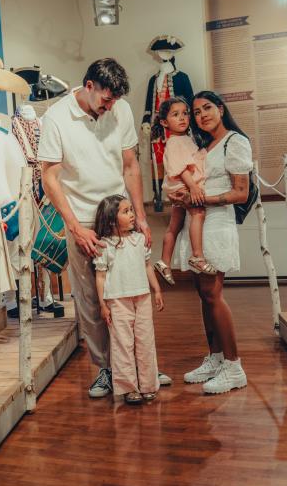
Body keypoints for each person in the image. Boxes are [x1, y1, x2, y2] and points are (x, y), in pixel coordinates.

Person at [38, 58, 170, 398]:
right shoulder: (56, 118)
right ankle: (106, 370)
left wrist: (139, 216)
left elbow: (130, 165)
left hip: (120, 213)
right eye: (105, 99)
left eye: (115, 100)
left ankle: (141, 367)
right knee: (92, 299)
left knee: (132, 292)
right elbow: (49, 176)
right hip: (82, 217)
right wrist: (74, 227)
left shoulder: (121, 110)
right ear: (89, 86)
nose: (110, 106)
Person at [169, 91, 252, 394]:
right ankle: (216, 358)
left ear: (220, 108)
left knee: (213, 292)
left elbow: (241, 192)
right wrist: (184, 195)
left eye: (207, 108)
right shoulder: (205, 145)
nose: (202, 115)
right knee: (202, 292)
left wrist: (204, 198)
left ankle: (234, 366)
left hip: (216, 221)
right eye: (196, 111)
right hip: (197, 220)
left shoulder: (235, 142)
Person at [92, 195, 164, 405]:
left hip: (142, 298)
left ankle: (148, 385)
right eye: (126, 211)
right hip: (117, 302)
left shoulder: (140, 240)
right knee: (122, 344)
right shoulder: (104, 246)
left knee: (145, 342)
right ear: (111, 219)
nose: (132, 215)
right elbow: (101, 276)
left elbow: (147, 265)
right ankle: (129, 387)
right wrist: (103, 304)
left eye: (131, 210)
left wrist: (157, 289)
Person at [153, 97, 213, 284]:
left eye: (185, 114)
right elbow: (182, 168)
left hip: (180, 184)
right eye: (175, 114)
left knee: (175, 225)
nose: (182, 118)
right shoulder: (176, 141)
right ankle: (197, 255)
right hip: (184, 185)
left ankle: (164, 261)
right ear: (164, 122)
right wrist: (193, 187)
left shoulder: (183, 139)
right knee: (198, 213)